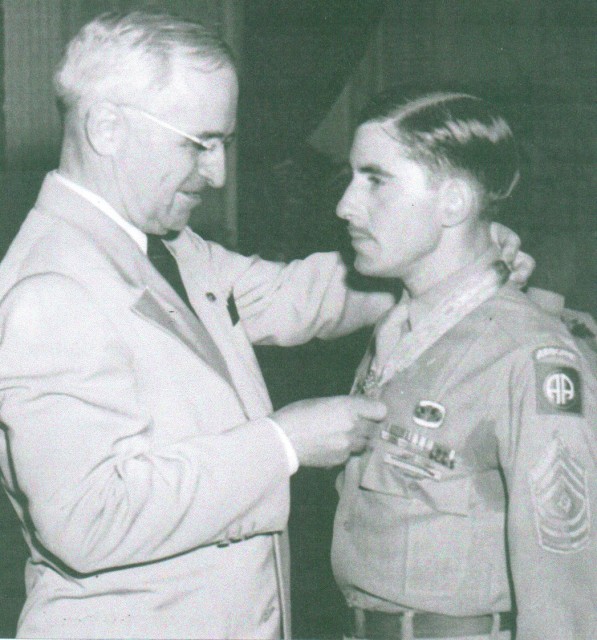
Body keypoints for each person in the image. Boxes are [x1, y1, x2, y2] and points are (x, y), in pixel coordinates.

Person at [0, 12, 529, 640]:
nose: (219, 172)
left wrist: (437, 259)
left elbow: (292, 295)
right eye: (198, 143)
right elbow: (90, 519)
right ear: (107, 127)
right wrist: (283, 445)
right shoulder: (53, 290)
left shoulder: (164, 248)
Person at [331, 90, 596, 640]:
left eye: (375, 179)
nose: (346, 205)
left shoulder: (530, 357)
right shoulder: (403, 333)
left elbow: (566, 599)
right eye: (352, 178)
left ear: (452, 202)